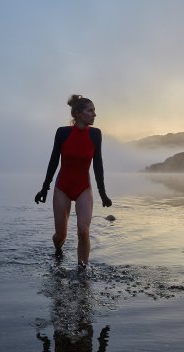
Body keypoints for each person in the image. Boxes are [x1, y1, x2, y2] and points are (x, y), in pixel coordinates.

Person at [34, 95, 112, 271]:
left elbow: (98, 164)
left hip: (84, 188)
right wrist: (44, 188)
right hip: (63, 187)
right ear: (78, 114)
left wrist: (103, 193)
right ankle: (58, 248)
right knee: (60, 235)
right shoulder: (62, 133)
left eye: (94, 110)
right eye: (90, 110)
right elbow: (54, 161)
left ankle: (82, 270)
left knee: (83, 231)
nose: (94, 114)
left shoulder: (95, 134)